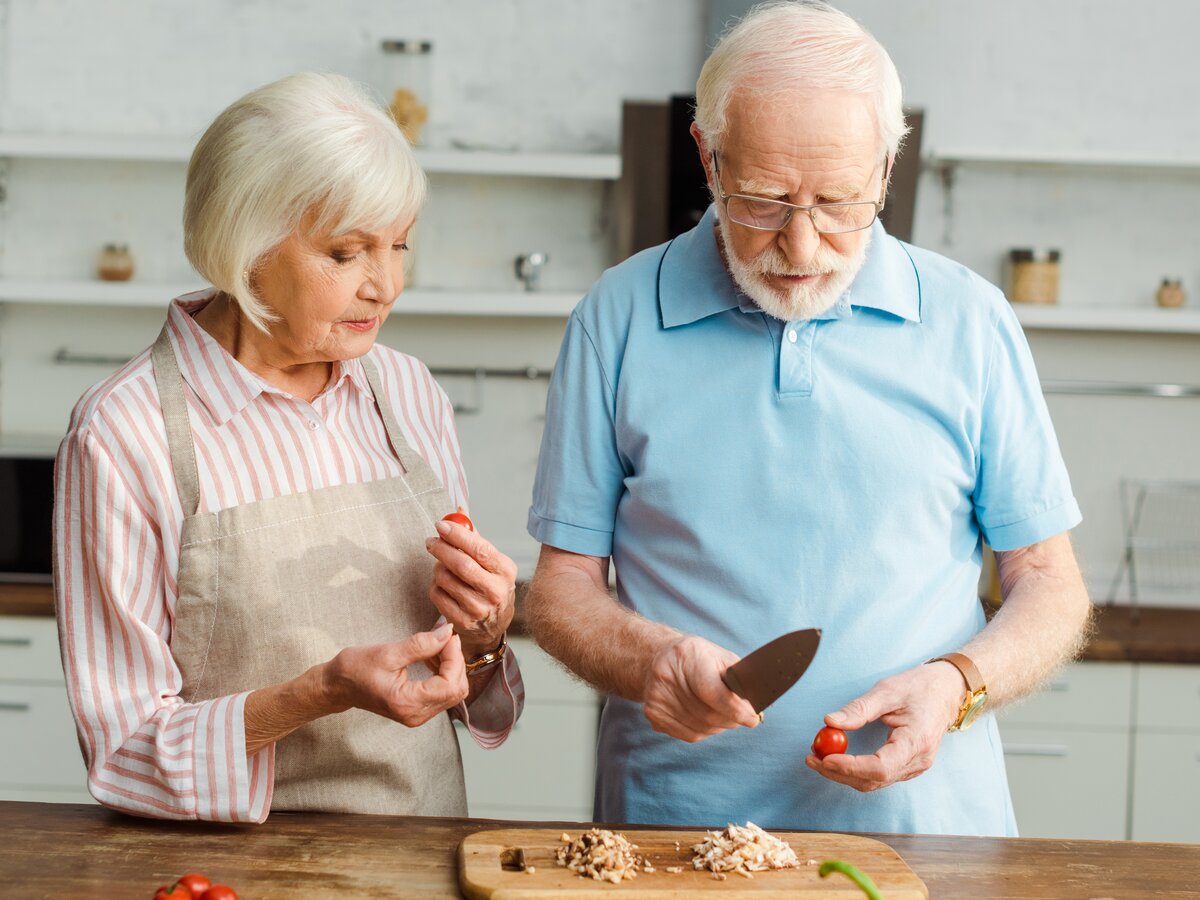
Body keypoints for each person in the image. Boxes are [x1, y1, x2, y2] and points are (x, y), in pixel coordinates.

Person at [524, 0, 1091, 836]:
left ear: (887, 167)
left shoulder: (972, 322)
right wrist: (650, 658)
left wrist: (957, 682)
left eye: (837, 201)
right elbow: (561, 590)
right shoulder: (616, 319)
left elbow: (1049, 582)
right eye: (761, 200)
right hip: (675, 833)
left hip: (928, 835)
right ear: (707, 156)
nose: (800, 247)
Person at [54, 72, 523, 822]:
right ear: (245, 248)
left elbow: (463, 680)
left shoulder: (407, 391)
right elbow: (124, 752)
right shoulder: (122, 433)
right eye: (346, 254)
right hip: (237, 868)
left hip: (421, 847)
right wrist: (321, 693)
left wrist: (486, 636)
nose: (386, 285)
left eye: (399, 245)